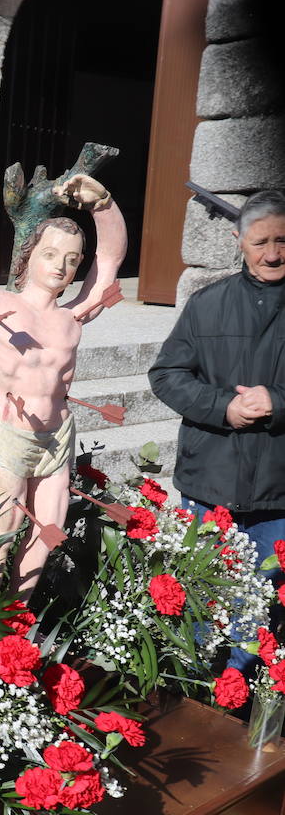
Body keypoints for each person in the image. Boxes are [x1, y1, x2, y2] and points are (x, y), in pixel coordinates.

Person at [0, 176, 125, 598]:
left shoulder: (73, 316)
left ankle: (17, 618)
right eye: (51, 254)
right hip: (10, 433)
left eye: (72, 260)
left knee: (49, 530)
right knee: (5, 526)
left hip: (57, 436)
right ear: (29, 253)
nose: (61, 266)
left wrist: (104, 204)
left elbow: (110, 258)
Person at [149, 189, 285, 595]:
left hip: (279, 491)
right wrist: (223, 406)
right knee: (201, 602)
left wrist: (277, 401)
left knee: (265, 606)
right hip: (211, 482)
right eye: (260, 242)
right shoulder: (206, 304)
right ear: (237, 239)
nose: (273, 254)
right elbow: (167, 373)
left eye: (283, 240)